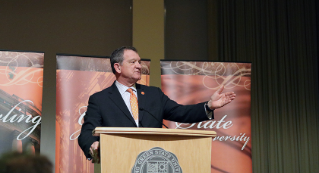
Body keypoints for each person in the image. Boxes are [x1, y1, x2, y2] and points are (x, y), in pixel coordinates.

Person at [78, 46, 236, 162]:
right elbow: (86, 132)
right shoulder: (100, 99)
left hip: (154, 162)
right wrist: (93, 146)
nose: (139, 66)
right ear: (117, 67)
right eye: (133, 62)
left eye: (139, 62)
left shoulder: (154, 94)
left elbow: (181, 112)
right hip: (117, 162)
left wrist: (209, 106)